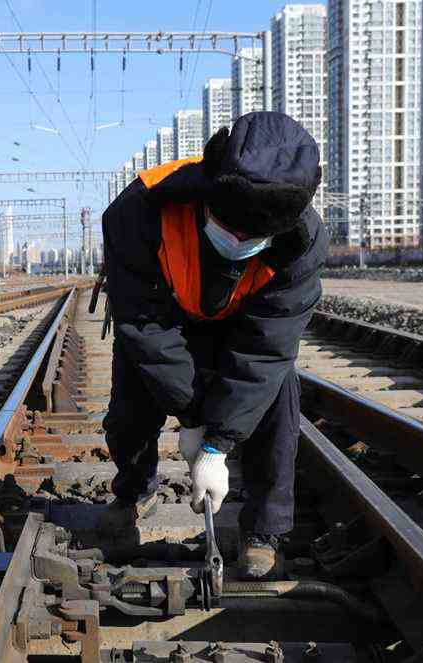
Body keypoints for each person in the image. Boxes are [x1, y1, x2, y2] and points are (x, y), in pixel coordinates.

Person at [99, 111, 327, 579]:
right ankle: (134, 491)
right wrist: (193, 419)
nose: (240, 240)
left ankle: (264, 529)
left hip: (240, 325)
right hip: (161, 317)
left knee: (278, 399)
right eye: (231, 226)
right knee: (132, 402)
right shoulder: (138, 209)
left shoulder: (303, 241)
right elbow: (147, 330)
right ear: (208, 191)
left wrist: (217, 446)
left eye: (254, 236)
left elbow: (266, 350)